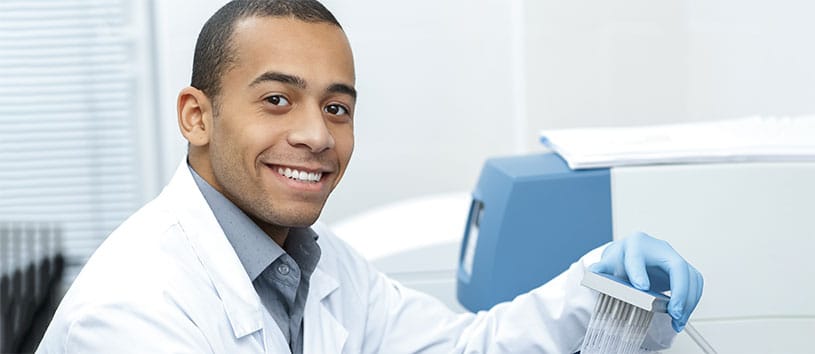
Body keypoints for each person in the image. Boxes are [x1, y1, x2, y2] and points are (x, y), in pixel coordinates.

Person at [36, 0, 703, 353]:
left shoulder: (317, 268)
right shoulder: (131, 313)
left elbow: (462, 349)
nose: (316, 134)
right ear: (197, 116)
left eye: (336, 107)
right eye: (276, 100)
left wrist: (599, 291)